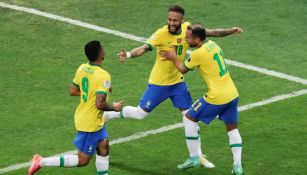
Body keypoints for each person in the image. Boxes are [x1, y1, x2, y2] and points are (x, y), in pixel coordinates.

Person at [105, 5, 242, 168]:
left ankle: (197, 156)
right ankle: (108, 115)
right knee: (141, 114)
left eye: (174, 20)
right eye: (169, 19)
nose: (171, 22)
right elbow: (143, 48)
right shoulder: (161, 34)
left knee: (190, 117)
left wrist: (231, 31)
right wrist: (127, 54)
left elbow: (211, 33)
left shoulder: (187, 29)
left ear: (181, 21)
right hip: (159, 83)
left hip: (178, 83)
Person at [28, 41, 124, 175]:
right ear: (101, 54)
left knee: (104, 147)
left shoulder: (82, 68)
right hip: (90, 123)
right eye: (102, 49)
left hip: (90, 118)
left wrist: (94, 91)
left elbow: (73, 90)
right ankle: (41, 161)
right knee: (83, 160)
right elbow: (99, 104)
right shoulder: (103, 75)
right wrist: (114, 107)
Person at [160, 24, 243, 174]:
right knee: (232, 129)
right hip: (232, 94)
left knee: (189, 117)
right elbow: (216, 32)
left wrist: (173, 57)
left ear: (197, 39)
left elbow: (182, 69)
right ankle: (237, 166)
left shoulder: (198, 54)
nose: (186, 40)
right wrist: (231, 30)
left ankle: (194, 157)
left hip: (216, 97)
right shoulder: (213, 45)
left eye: (188, 38)